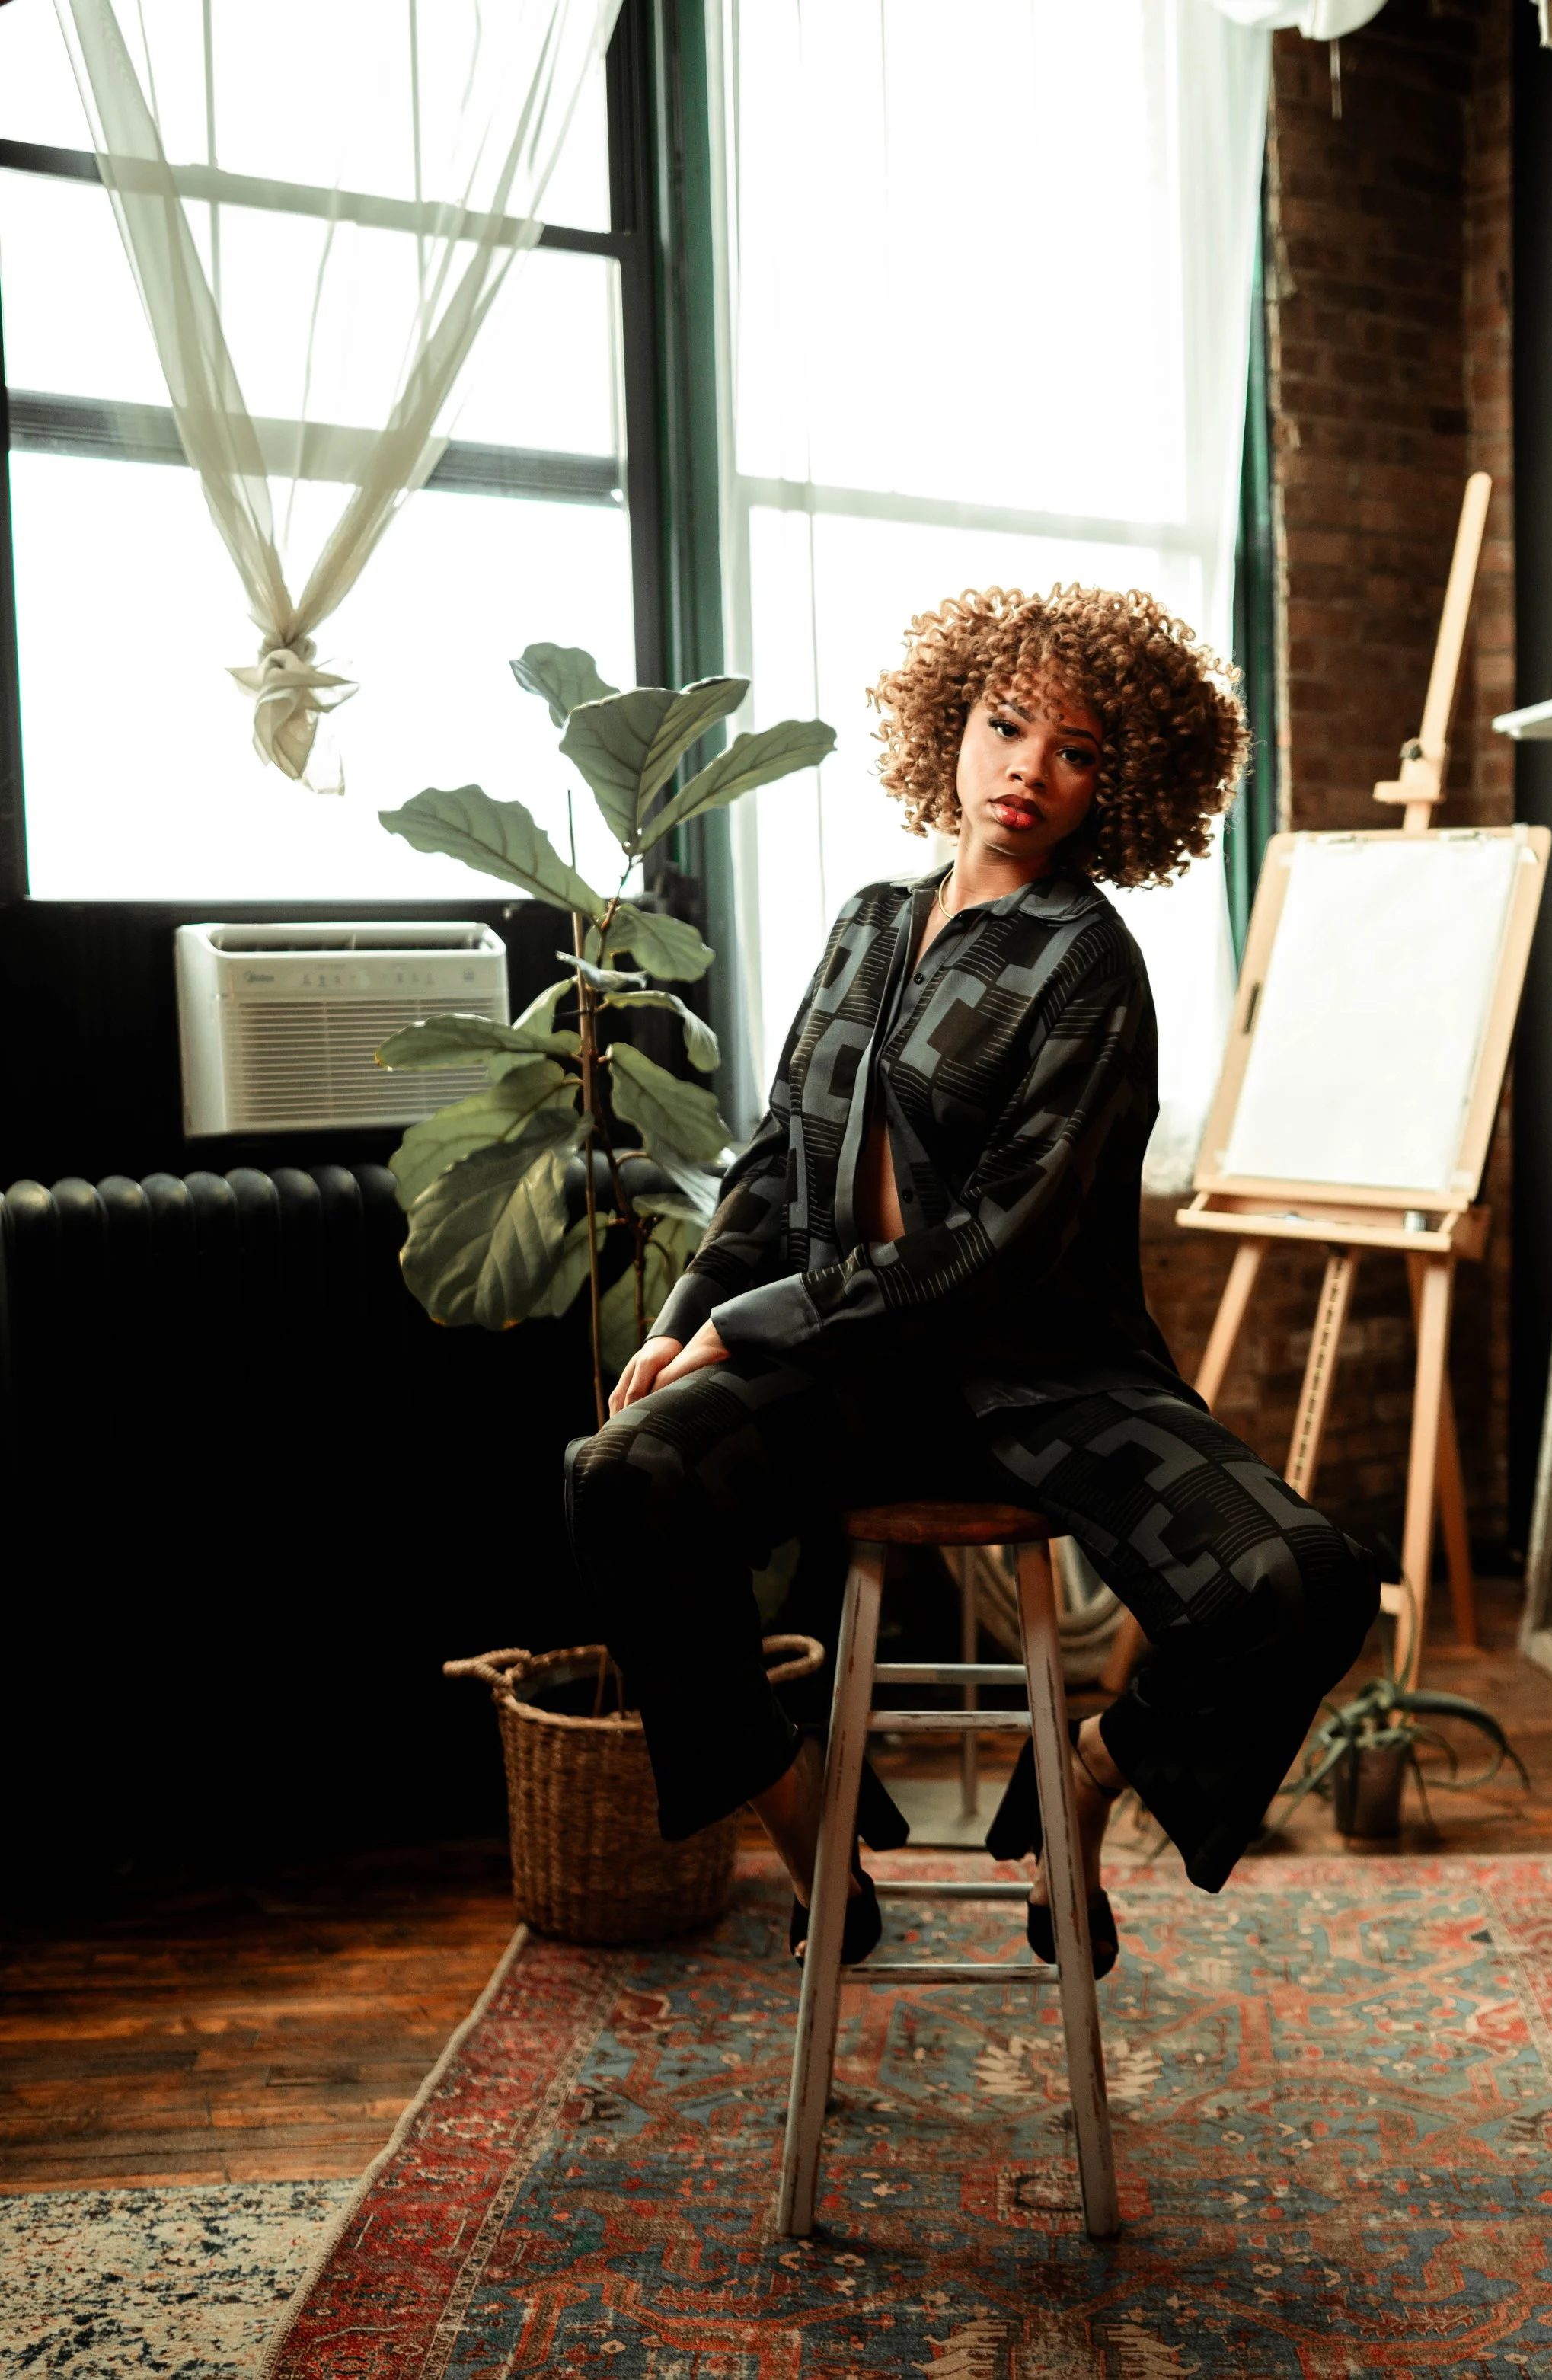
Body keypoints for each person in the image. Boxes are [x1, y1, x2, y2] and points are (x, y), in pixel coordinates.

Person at [566, 583, 1378, 1975]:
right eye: (1008, 727)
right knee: (617, 1480)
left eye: (1077, 751)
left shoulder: (1091, 964)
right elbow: (774, 1164)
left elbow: (999, 1248)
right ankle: (809, 1823)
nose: (1030, 772)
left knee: (1301, 1581)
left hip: (1047, 1376)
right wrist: (688, 1319)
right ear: (951, 724)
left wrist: (759, 1322)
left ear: (1117, 789)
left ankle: (1083, 1781)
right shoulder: (869, 924)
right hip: (849, 1373)